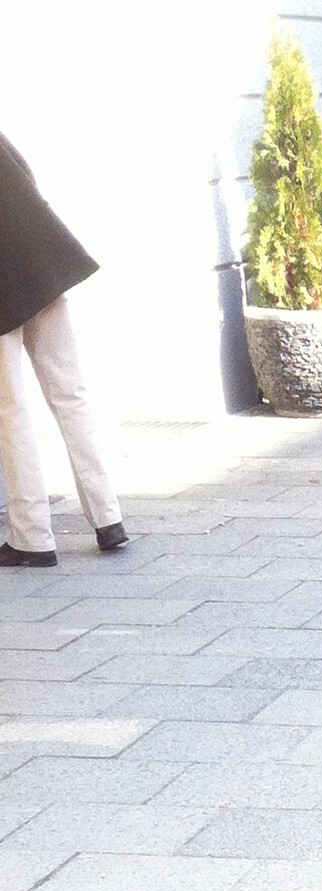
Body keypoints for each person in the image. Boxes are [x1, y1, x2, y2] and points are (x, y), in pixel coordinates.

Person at [0, 129, 124, 567]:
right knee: (71, 395)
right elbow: (28, 181)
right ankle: (108, 517)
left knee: (10, 409)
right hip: (42, 266)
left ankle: (32, 536)